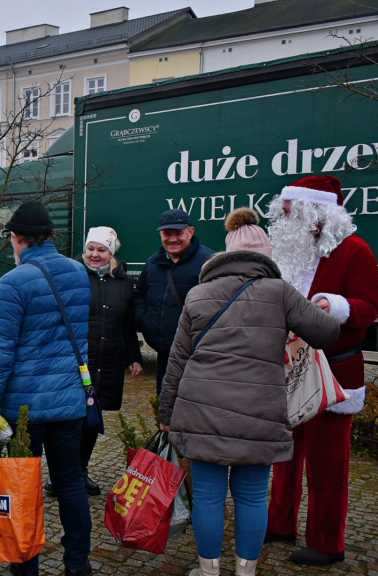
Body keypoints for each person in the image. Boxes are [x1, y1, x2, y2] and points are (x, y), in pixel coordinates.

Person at [158, 207, 341, 576]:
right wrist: (320, 306)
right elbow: (327, 332)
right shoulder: (280, 293)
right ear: (265, 255)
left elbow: (177, 360)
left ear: (227, 254)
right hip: (260, 413)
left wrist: (166, 414)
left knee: (208, 497)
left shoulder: (199, 294)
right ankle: (246, 570)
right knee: (253, 496)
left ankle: (209, 570)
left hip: (202, 411)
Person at [264, 175, 378, 566]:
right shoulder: (289, 252)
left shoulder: (355, 251)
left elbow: (368, 309)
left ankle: (327, 543)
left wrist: (334, 306)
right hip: (289, 366)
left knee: (328, 463)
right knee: (284, 454)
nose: (285, 218)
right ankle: (279, 523)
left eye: (290, 211)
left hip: (334, 369)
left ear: (316, 212)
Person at [0, 201, 93, 576]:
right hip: (69, 401)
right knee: (70, 482)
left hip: (23, 410)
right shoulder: (79, 272)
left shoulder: (13, 283)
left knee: (22, 489)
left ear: (16, 238)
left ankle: (26, 568)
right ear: (50, 235)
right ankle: (78, 565)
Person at [76, 226, 142, 495]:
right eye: (90, 249)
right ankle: (64, 473)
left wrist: (134, 356)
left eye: (101, 250)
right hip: (79, 359)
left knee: (93, 418)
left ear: (111, 253)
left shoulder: (123, 281)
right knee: (73, 418)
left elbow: (127, 323)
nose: (94, 255)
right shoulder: (75, 275)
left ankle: (81, 470)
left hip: (108, 359)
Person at [134, 208, 215, 396]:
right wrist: (144, 321)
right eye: (167, 234)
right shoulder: (153, 263)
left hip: (195, 353)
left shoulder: (208, 263)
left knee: (193, 402)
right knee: (165, 399)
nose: (172, 239)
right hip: (164, 352)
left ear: (190, 232)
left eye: (178, 233)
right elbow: (140, 295)